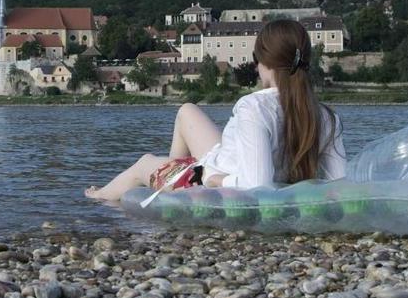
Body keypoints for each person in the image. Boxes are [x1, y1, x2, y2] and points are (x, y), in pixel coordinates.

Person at [85, 19, 346, 201]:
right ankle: (175, 170)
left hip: (207, 178)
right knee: (186, 110)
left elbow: (258, 186)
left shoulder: (253, 107)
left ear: (263, 62)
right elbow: (339, 184)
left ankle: (101, 198)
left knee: (143, 164)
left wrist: (216, 180)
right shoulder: (326, 116)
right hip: (223, 160)